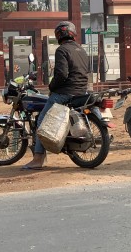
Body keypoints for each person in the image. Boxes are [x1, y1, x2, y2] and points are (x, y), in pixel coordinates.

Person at [23, 21, 90, 170]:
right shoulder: (81, 50)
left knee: (42, 120)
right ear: (73, 33)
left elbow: (61, 75)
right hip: (82, 91)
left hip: (65, 93)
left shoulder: (62, 50)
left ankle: (38, 159)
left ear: (59, 35)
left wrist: (51, 87)